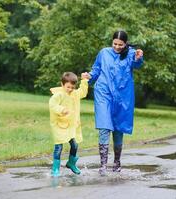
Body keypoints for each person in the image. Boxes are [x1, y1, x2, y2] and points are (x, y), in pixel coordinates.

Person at [82, 30, 144, 175]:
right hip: (104, 92)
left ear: (125, 43)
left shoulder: (130, 53)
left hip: (123, 95)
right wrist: (88, 76)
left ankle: (116, 161)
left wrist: (139, 58)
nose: (117, 47)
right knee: (104, 126)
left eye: (120, 45)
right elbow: (96, 70)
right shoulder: (103, 53)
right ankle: (103, 165)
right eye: (114, 44)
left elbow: (137, 65)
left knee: (118, 128)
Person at [49, 72, 89, 176]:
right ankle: (55, 169)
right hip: (59, 125)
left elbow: (83, 92)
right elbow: (52, 105)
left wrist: (84, 80)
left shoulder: (75, 94)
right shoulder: (58, 95)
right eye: (68, 87)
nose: (70, 89)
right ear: (62, 85)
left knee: (74, 145)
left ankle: (71, 163)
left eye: (72, 87)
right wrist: (61, 109)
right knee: (59, 147)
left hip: (71, 126)